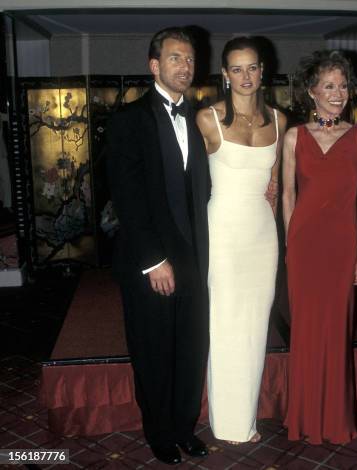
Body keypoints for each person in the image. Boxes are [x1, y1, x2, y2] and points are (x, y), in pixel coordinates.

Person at [106, 27, 210, 465]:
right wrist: (154, 261)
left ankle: (184, 427)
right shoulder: (128, 121)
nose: (184, 66)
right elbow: (127, 199)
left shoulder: (205, 118)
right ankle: (160, 433)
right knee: (153, 351)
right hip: (151, 262)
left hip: (197, 258)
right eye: (174, 58)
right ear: (154, 66)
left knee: (190, 349)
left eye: (189, 59)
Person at [196, 37, 286, 445]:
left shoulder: (280, 121)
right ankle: (227, 422)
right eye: (237, 68)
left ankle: (245, 417)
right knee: (225, 324)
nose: (246, 76)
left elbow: (276, 182)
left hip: (262, 233)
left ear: (262, 71)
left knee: (254, 326)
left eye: (252, 68)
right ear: (225, 75)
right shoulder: (206, 119)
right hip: (223, 231)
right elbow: (190, 184)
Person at [282, 50, 357, 444]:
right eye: (328, 86)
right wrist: (290, 245)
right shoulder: (294, 136)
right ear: (311, 90)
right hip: (304, 246)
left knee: (337, 332)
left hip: (342, 246)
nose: (337, 93)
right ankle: (302, 417)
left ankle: (334, 420)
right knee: (304, 331)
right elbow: (287, 193)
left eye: (343, 86)